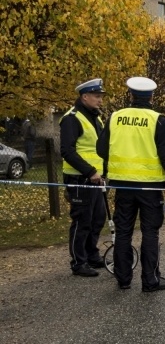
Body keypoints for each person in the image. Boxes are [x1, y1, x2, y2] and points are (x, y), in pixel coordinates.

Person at [97, 77, 165, 292]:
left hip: (122, 186)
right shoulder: (158, 120)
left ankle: (123, 279)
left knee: (124, 231)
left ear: (131, 95)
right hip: (149, 186)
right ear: (151, 97)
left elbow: (101, 150)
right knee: (150, 232)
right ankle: (150, 280)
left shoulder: (115, 118)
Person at [60, 78, 107, 277]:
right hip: (80, 179)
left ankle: (92, 255)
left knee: (98, 218)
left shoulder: (95, 117)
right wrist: (90, 171)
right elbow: (67, 151)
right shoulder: (72, 118)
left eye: (101, 97)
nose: (100, 101)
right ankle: (78, 262)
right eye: (97, 97)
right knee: (82, 221)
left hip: (95, 178)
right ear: (84, 97)